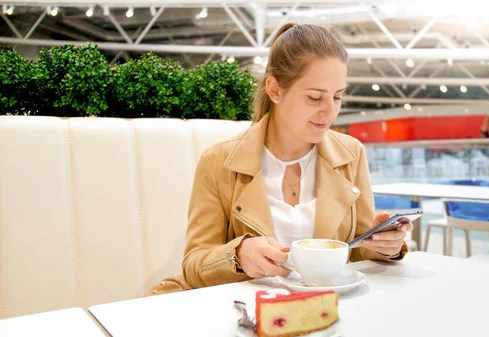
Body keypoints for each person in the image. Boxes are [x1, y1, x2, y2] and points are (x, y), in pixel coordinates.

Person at [145, 23, 412, 295]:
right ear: (274, 90)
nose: (330, 112)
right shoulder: (218, 162)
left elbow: (357, 254)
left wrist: (385, 247)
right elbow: (193, 266)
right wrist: (238, 254)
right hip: (248, 313)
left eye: (337, 97)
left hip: (330, 309)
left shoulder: (351, 154)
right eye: (315, 97)